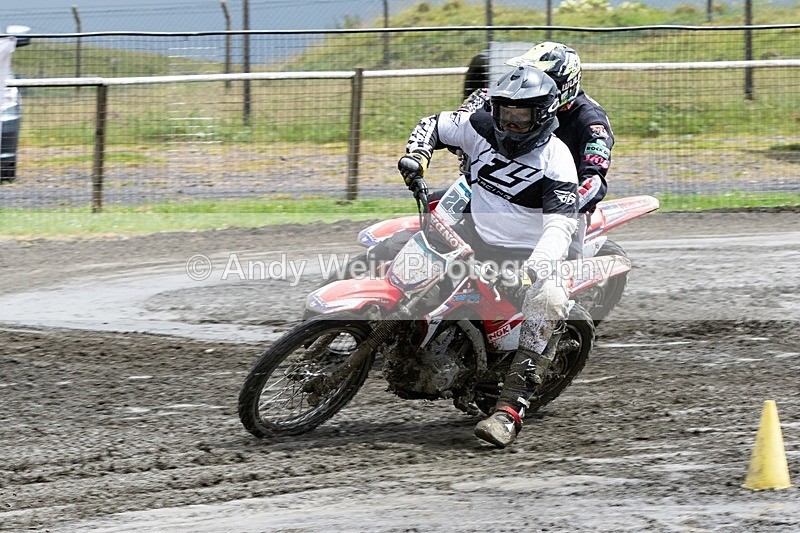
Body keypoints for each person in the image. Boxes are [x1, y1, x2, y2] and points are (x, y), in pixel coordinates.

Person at [398, 65, 578, 448]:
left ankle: (509, 412)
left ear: (543, 115)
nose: (509, 125)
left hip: (527, 257)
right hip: (472, 232)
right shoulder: (478, 126)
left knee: (548, 302)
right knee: (394, 239)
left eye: (520, 117)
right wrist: (417, 156)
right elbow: (434, 123)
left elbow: (560, 227)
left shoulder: (557, 159)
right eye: (504, 115)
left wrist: (533, 271)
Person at [461, 42, 613, 218]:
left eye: (541, 77)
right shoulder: (521, 101)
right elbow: (483, 99)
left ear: (562, 83)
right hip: (502, 186)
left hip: (553, 205)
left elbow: (594, 180)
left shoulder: (592, 122)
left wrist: (564, 210)